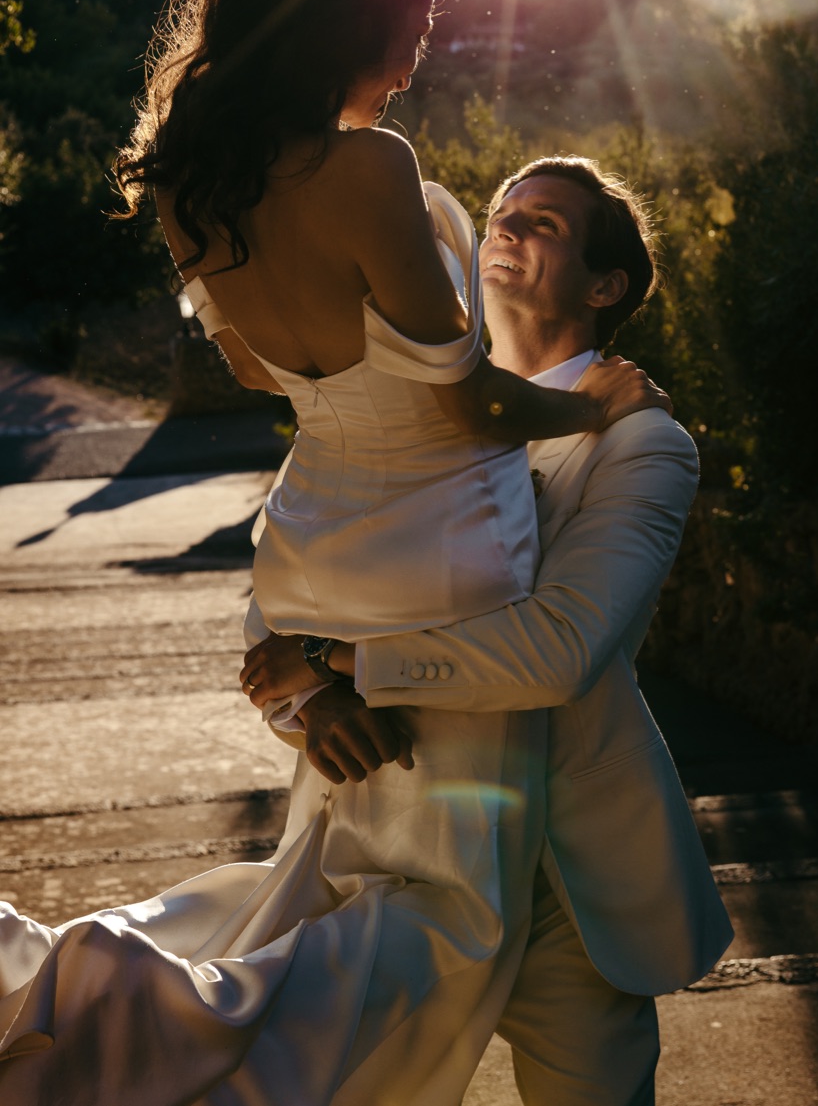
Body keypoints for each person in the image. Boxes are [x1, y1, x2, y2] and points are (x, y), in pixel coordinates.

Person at [0, 0, 665, 1104]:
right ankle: (104, 1002)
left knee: (342, 878)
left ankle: (86, 1000)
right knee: (446, 924)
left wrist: (306, 668)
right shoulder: (368, 169)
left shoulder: (191, 190)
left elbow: (281, 379)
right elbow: (463, 405)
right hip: (438, 551)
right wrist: (594, 407)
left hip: (314, 536)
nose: (413, 61)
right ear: (352, 14)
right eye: (411, 25)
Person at [240, 156, 733, 1104]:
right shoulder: (411, 408)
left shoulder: (643, 444)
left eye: (542, 223)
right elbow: (284, 588)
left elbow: (558, 648)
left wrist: (338, 655)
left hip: (562, 884)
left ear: (605, 284)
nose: (503, 228)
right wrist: (310, 694)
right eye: (502, 212)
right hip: (392, 853)